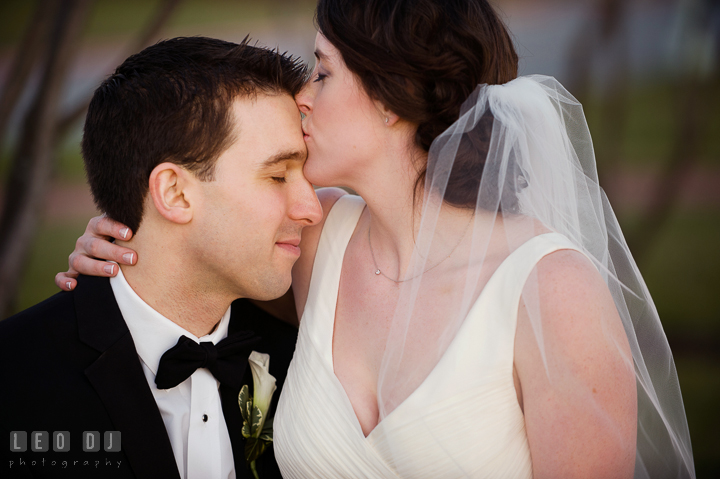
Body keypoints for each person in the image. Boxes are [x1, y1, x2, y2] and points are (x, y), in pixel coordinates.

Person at [55, 0, 696, 477]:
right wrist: (117, 243)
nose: (301, 98)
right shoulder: (316, 238)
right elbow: (190, 253)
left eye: (323, 72)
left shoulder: (552, 289)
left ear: (392, 99)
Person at [1, 37, 321, 478]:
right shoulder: (14, 377)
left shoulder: (306, 364)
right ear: (174, 192)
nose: (312, 208)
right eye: (278, 175)